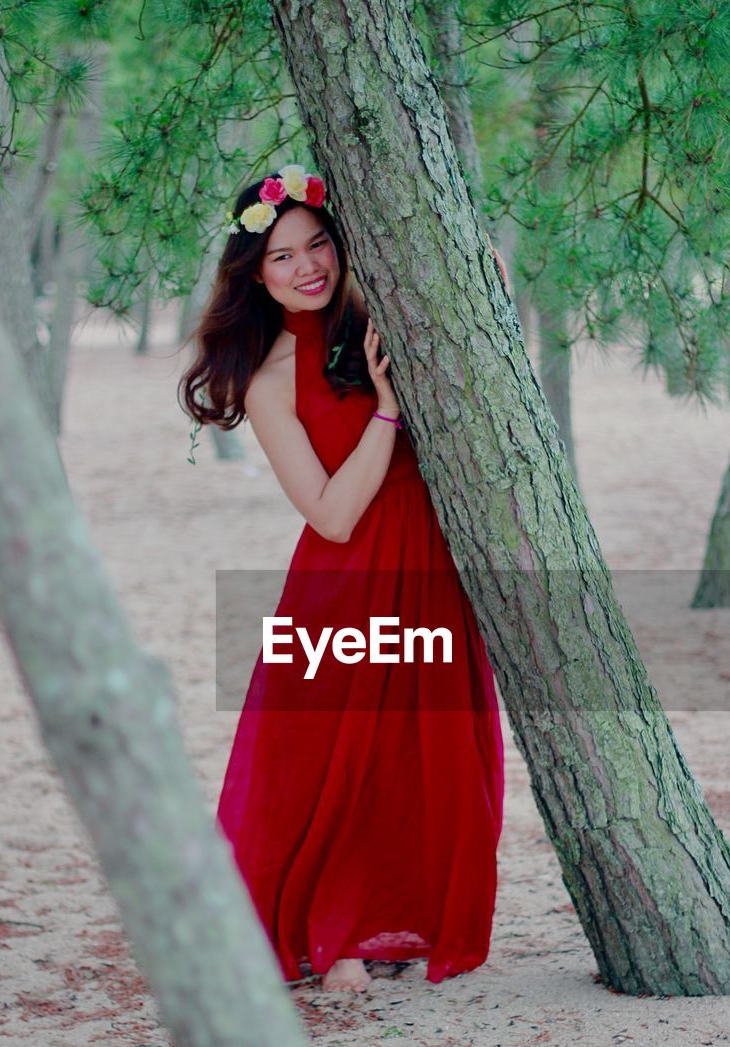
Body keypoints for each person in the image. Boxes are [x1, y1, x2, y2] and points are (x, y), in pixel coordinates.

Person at [179, 163, 504, 994]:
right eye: (280, 257)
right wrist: (388, 410)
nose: (305, 268)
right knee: (327, 759)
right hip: (344, 577)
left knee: (418, 754)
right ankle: (325, 931)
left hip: (429, 567)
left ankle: (384, 921)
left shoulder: (378, 321)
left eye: (316, 244)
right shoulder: (266, 376)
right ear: (253, 273)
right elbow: (330, 514)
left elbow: (489, 295)